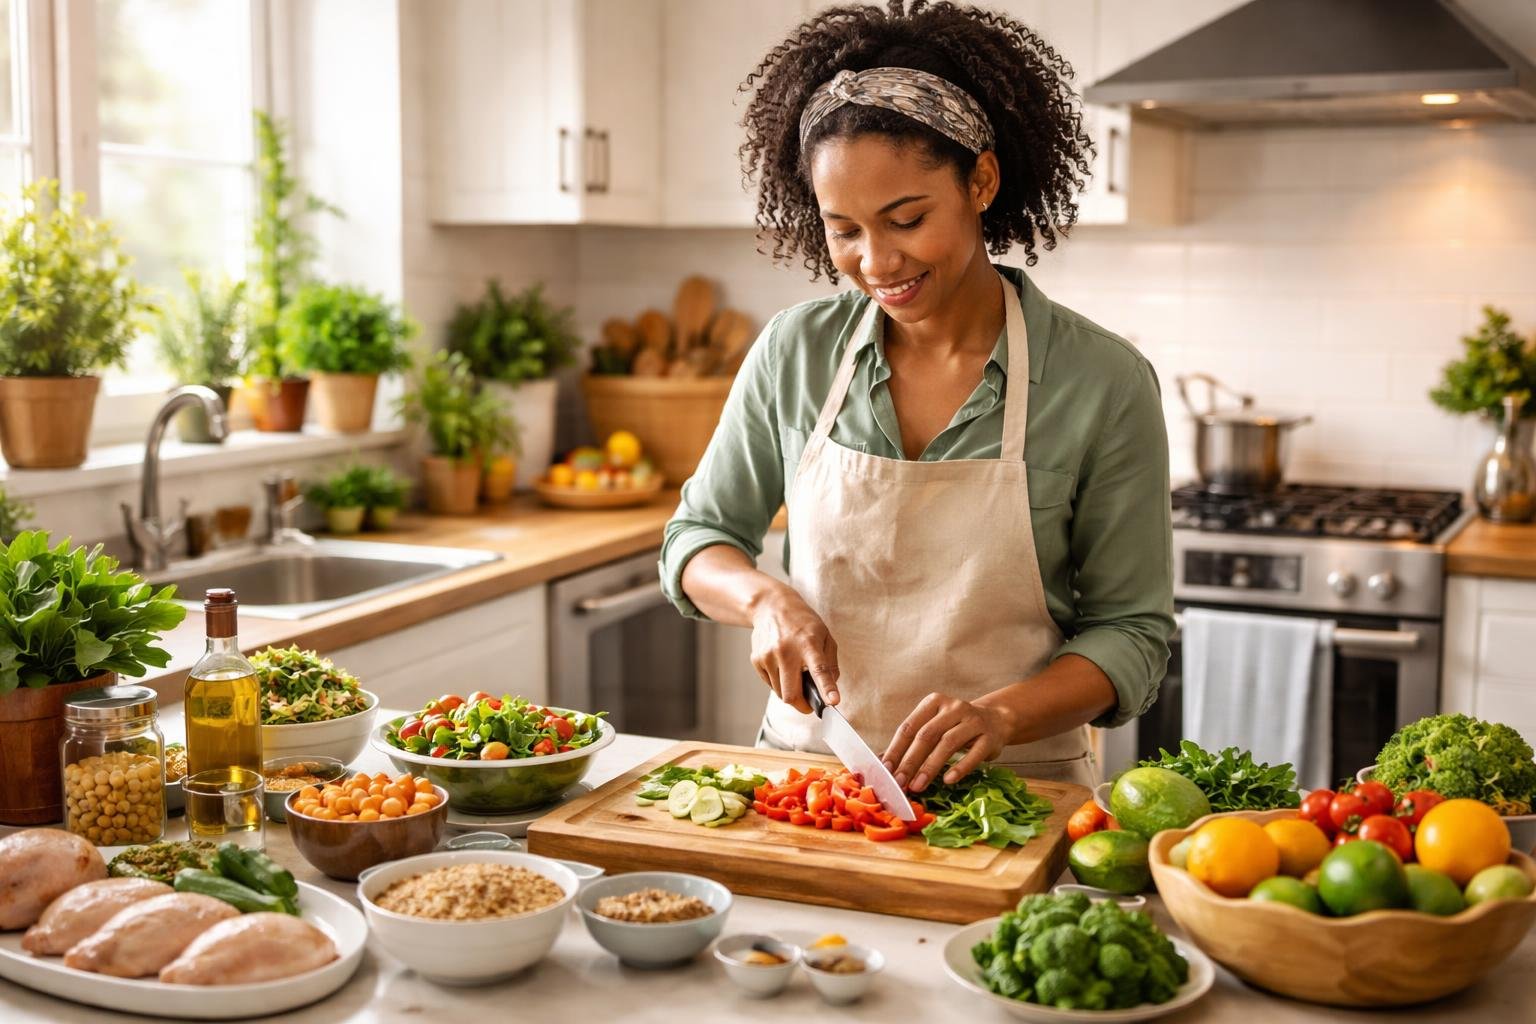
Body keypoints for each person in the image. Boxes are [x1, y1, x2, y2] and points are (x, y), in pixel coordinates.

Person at [659, 0, 1174, 791]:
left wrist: (1000, 716)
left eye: (906, 218)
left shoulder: (1099, 382)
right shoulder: (795, 353)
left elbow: (1131, 633)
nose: (876, 260)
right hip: (810, 782)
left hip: (1017, 794)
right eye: (844, 229)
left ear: (982, 180)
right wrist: (762, 597)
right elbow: (697, 539)